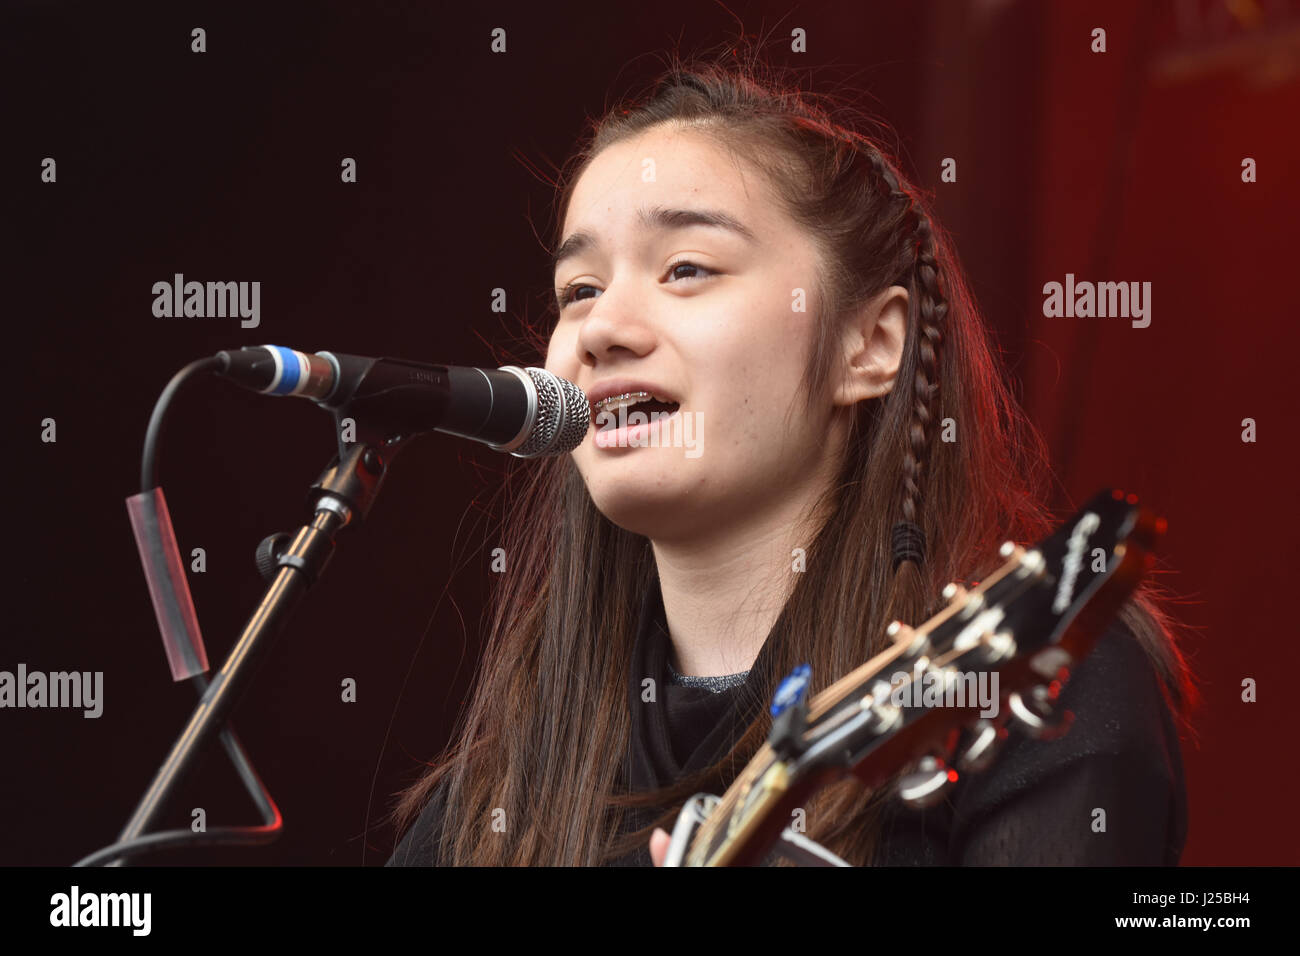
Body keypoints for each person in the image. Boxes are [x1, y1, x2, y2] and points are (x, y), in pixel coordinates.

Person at [385, 48, 1197, 867]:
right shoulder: (502, 784)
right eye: (579, 291)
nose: (601, 329)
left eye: (686, 268)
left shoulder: (1036, 680)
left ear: (869, 345)